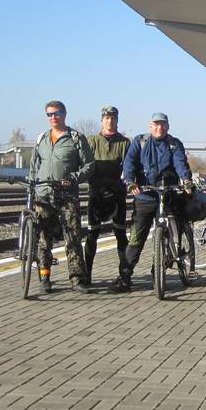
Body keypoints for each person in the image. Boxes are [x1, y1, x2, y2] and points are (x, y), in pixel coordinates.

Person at [114, 113, 193, 291]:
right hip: (145, 195)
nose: (160, 128)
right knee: (137, 238)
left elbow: (180, 163)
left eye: (163, 125)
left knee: (174, 231)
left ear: (168, 127)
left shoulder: (174, 144)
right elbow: (129, 164)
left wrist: (186, 181)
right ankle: (125, 276)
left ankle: (161, 268)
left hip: (168, 194)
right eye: (156, 125)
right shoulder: (140, 142)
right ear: (150, 126)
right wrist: (130, 181)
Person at [29, 100, 94, 293]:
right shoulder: (42, 139)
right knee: (43, 238)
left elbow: (89, 165)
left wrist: (74, 178)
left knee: (72, 237)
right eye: (49, 114)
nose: (53, 117)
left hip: (66, 196)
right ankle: (44, 278)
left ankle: (77, 279)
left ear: (64, 114)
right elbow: (34, 166)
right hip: (43, 195)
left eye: (56, 113)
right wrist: (33, 186)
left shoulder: (76, 138)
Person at [84, 106, 131, 288]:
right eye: (106, 118)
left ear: (117, 120)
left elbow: (128, 169)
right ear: (101, 120)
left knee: (121, 236)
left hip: (117, 196)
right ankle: (86, 275)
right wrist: (97, 187)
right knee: (91, 235)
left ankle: (125, 276)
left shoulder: (125, 143)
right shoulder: (92, 141)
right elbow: (87, 167)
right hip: (96, 196)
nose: (109, 121)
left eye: (112, 118)